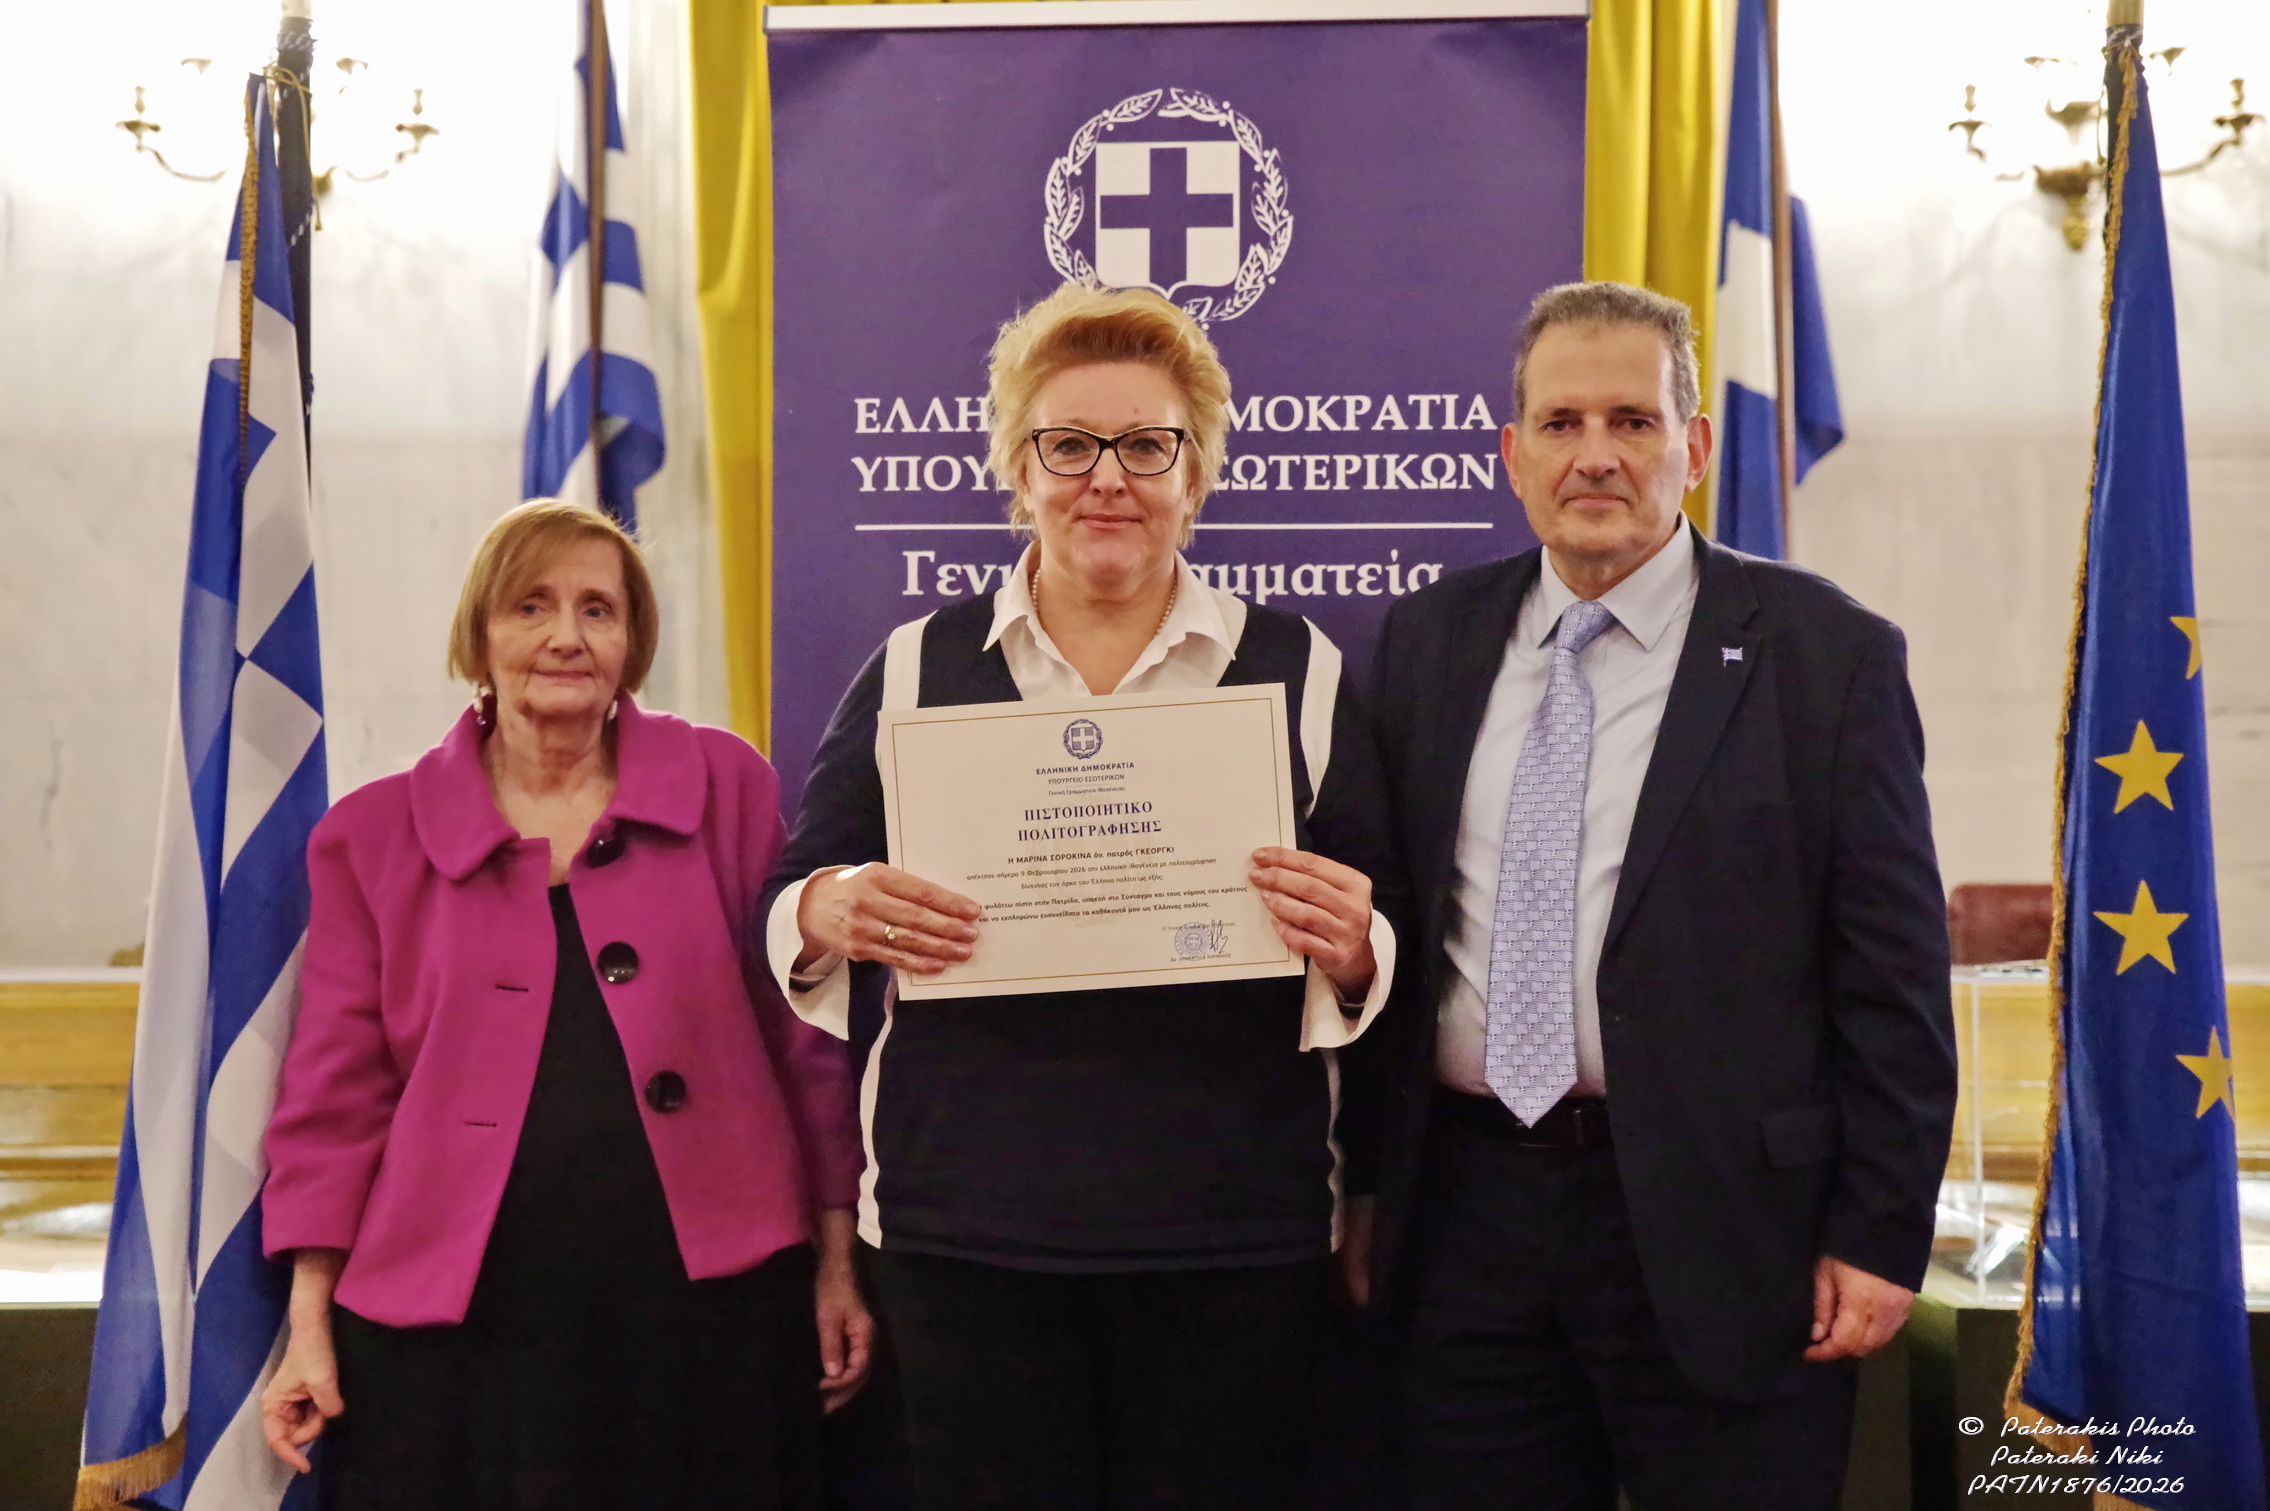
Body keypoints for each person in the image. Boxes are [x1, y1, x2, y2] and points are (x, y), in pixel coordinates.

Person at [763, 282, 1404, 1511]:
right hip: (966, 1230)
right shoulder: (914, 667)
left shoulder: (1298, 667)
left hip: (1233, 1227)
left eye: (1146, 446)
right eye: (1068, 445)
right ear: (1018, 468)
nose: (1106, 478)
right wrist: (826, 909)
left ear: (1194, 473)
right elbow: (792, 892)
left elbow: (1391, 928)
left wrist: (1354, 943)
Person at [1350, 281, 1956, 1509]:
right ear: (1512, 453)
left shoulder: (1825, 655)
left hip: (1729, 1230)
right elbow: (1394, 931)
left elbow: (1890, 976)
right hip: (1466, 1220)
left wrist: (1877, 1228)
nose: (1594, 456)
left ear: (1695, 445)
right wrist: (1364, 1184)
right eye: (1560, 423)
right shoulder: (1424, 642)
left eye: (1631, 420)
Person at [256, 500, 870, 1510]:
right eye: (531, 606)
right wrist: (309, 1318)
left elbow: (800, 1042)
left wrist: (836, 1260)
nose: (566, 636)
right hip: (455, 1329)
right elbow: (335, 1093)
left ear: (632, 642)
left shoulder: (724, 786)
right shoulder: (369, 836)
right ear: (479, 636)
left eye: (598, 609)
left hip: (707, 1311)